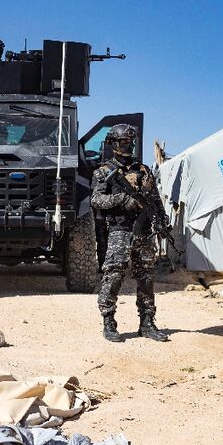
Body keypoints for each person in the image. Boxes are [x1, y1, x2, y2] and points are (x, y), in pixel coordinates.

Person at [90, 124, 169, 343]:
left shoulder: (143, 170)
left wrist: (161, 220)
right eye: (124, 142)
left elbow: (154, 199)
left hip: (143, 232)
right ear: (114, 144)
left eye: (131, 142)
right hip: (120, 231)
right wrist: (121, 200)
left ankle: (147, 323)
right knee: (114, 275)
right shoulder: (104, 172)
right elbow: (96, 200)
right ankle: (109, 322)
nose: (128, 145)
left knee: (146, 277)